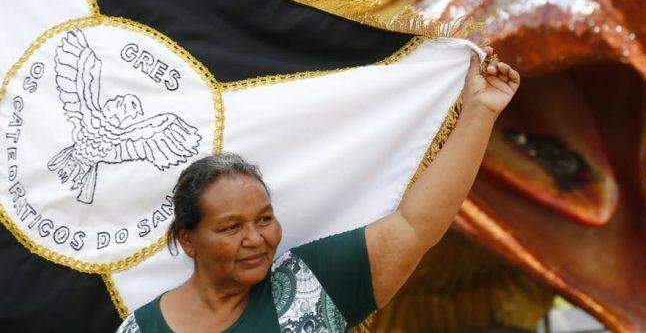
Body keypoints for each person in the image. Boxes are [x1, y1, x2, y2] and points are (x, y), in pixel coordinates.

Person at [115, 47, 520, 332]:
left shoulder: (308, 286)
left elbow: (416, 225)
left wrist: (480, 111)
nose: (256, 238)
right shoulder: (142, 327)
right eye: (231, 228)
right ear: (188, 240)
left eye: (264, 219)